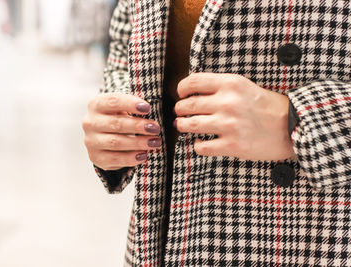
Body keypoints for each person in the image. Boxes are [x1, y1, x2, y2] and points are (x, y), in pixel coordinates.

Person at [82, 0, 351, 266]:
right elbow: (124, 45)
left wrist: (301, 120)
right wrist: (117, 119)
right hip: (162, 242)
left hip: (311, 235)